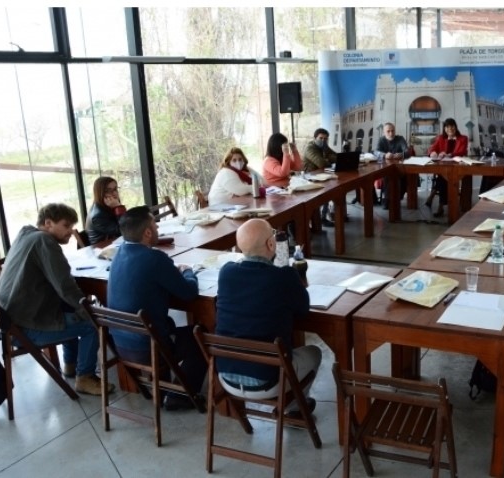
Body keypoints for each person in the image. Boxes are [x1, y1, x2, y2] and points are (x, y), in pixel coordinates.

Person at [0, 203, 113, 396]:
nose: (71, 231)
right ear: (48, 223)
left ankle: (70, 364)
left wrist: (79, 306)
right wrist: (88, 310)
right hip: (25, 328)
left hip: (11, 323)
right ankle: (85, 377)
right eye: (66, 225)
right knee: (93, 325)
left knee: (69, 308)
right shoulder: (44, 241)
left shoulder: (26, 235)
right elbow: (64, 285)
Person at [215, 218, 321, 416]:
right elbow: (303, 310)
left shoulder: (226, 273)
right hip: (269, 380)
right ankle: (293, 408)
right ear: (271, 244)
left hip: (226, 377)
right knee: (314, 352)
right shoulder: (284, 277)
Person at [107, 206, 206, 411]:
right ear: (147, 232)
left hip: (121, 345)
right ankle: (181, 396)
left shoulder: (118, 254)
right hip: (150, 347)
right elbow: (189, 292)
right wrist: (188, 272)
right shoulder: (154, 258)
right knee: (202, 336)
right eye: (155, 225)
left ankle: (167, 388)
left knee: (169, 328)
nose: (158, 229)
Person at [425, 118, 469, 217]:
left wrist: (449, 154)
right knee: (443, 177)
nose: (450, 129)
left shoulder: (463, 138)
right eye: (447, 127)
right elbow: (432, 148)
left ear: (455, 127)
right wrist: (433, 153)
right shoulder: (441, 138)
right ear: (444, 128)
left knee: (443, 178)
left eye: (452, 126)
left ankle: (436, 201)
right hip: (443, 166)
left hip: (456, 166)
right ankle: (439, 205)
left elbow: (462, 151)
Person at [303, 128, 338, 227]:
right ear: (315, 138)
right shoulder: (310, 148)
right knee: (326, 192)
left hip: (322, 175)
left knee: (335, 188)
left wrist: (328, 158)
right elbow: (321, 163)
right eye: (321, 138)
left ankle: (331, 214)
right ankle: (321, 218)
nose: (323, 140)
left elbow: (337, 157)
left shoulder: (324, 146)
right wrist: (328, 159)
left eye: (325, 139)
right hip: (310, 177)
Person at [374, 122, 410, 210]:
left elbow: (407, 151)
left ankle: (394, 199)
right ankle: (388, 200)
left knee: (400, 176)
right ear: (384, 132)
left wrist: (401, 154)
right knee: (388, 175)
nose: (391, 133)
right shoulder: (381, 140)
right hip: (385, 167)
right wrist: (384, 155)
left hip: (399, 167)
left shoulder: (400, 139)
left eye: (393, 131)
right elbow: (376, 152)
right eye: (388, 131)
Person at [87, 176, 126, 245]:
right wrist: (118, 207)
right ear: (100, 193)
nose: (114, 193)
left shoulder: (108, 207)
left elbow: (130, 224)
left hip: (116, 244)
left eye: (115, 189)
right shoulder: (97, 216)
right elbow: (126, 230)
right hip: (105, 249)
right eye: (108, 191)